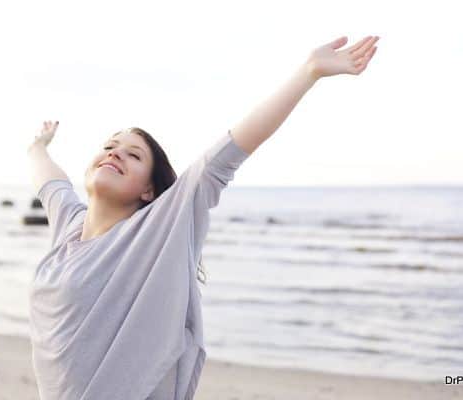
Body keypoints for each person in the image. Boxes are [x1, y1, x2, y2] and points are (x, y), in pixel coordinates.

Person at [26, 35, 379, 400]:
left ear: (149, 190)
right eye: (110, 147)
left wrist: (309, 72)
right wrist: (38, 146)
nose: (115, 154)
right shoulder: (69, 228)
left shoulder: (157, 229)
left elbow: (225, 154)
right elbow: (49, 180)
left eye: (133, 156)